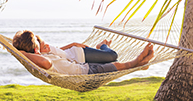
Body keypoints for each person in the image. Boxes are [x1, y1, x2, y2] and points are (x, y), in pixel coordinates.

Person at [13, 30, 154, 75]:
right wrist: (24, 54)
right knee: (116, 65)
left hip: (82, 64)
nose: (45, 46)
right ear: (36, 50)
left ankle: (138, 63)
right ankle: (138, 63)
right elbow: (46, 62)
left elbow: (59, 53)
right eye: (40, 46)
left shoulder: (43, 55)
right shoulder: (42, 60)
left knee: (114, 61)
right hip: (83, 70)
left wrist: (73, 44)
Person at [36, 35, 118, 64]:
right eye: (44, 47)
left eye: (45, 43)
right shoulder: (45, 57)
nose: (47, 45)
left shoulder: (48, 50)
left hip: (81, 52)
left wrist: (74, 44)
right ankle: (105, 47)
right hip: (82, 60)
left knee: (113, 56)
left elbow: (60, 50)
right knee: (113, 61)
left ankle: (102, 45)